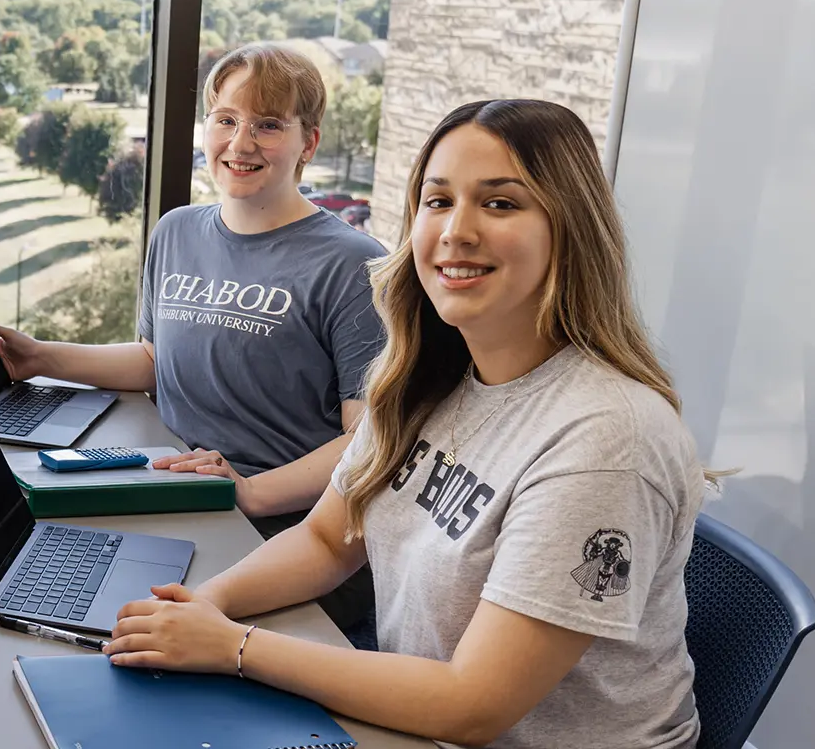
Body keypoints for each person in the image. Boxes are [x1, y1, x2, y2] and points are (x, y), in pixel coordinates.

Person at [105, 99, 708, 748]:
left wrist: (235, 647)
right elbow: (328, 539)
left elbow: (472, 704)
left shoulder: (606, 438)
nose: (456, 231)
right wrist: (203, 607)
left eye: (500, 203)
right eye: (438, 200)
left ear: (571, 228)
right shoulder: (426, 376)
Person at [0, 43, 387, 627]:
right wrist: (39, 357)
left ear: (309, 141)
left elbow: (372, 440)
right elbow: (153, 359)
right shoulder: (176, 231)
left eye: (268, 125)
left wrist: (249, 491)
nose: (241, 143)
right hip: (176, 493)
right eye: (226, 120)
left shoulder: (354, 265)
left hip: (289, 535)